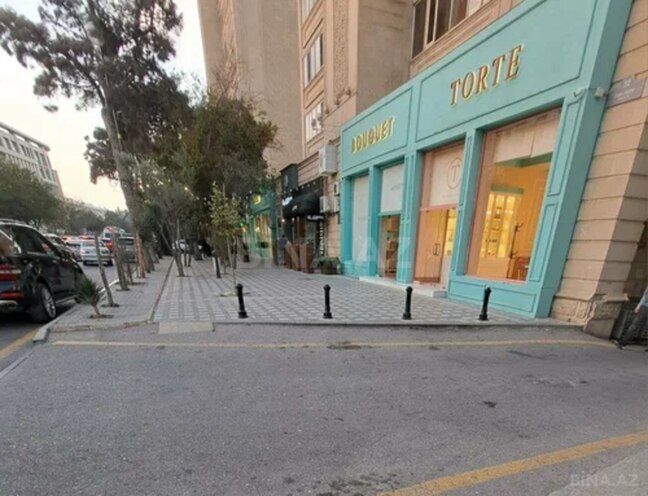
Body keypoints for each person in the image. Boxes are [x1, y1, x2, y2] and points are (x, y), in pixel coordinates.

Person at [615, 284, 648, 351]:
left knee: (635, 325)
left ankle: (623, 343)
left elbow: (645, 296)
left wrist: (638, 306)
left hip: (645, 307)